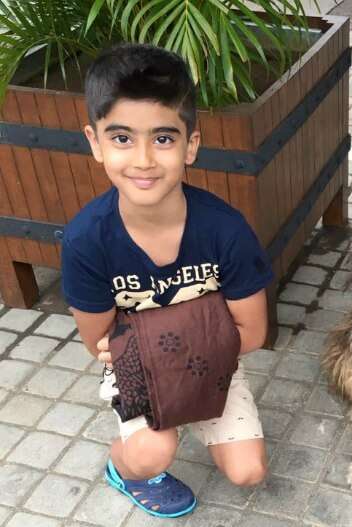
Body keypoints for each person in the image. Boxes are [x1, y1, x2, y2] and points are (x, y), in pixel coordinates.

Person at [61, 43, 274, 518]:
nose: (142, 160)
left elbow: (255, 334)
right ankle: (122, 467)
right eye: (121, 138)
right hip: (142, 369)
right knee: (152, 453)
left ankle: (196, 414)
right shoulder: (85, 240)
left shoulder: (226, 229)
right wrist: (200, 329)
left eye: (162, 138)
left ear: (190, 144)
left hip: (211, 364)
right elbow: (98, 345)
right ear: (94, 142)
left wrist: (154, 342)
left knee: (248, 472)